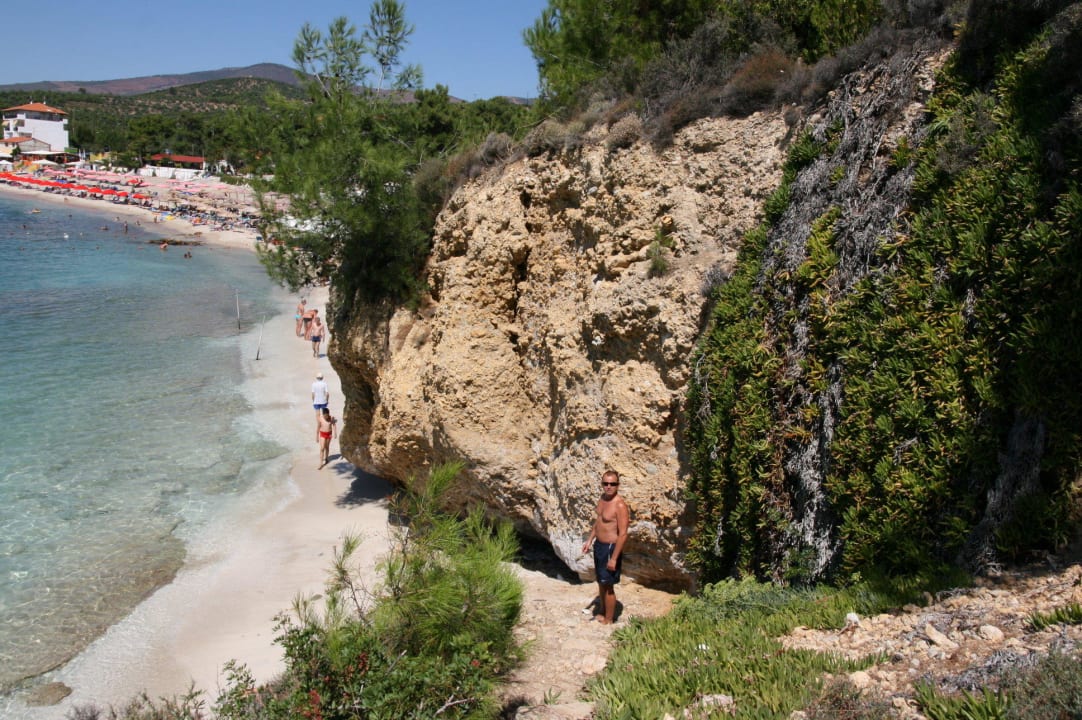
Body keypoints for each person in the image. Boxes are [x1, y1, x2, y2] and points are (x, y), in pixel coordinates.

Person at [581, 470, 629, 625]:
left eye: (612, 484)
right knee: (601, 581)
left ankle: (609, 619)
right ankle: (601, 612)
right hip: (599, 546)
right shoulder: (602, 499)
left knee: (608, 585)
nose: (609, 487)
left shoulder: (620, 505)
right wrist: (589, 540)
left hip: (610, 548)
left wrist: (614, 558)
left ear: (618, 485)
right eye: (605, 483)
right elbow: (599, 522)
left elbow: (622, 535)